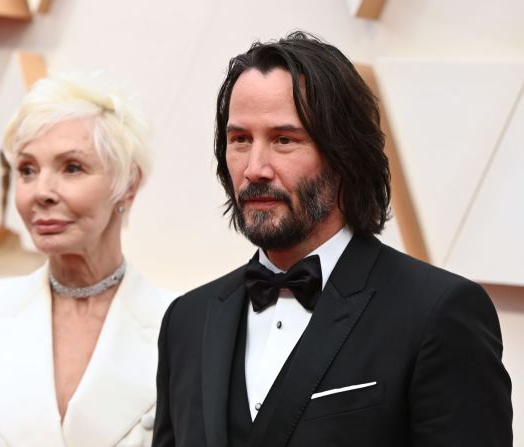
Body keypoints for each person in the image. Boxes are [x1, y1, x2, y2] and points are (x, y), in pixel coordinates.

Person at [152, 31, 512, 446]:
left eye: (284, 140)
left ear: (344, 155)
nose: (255, 168)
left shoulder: (437, 313)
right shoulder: (186, 321)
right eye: (240, 140)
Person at [0, 72, 174, 447]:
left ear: (129, 184)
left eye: (72, 167)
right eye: (27, 170)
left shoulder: (180, 325)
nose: (41, 192)